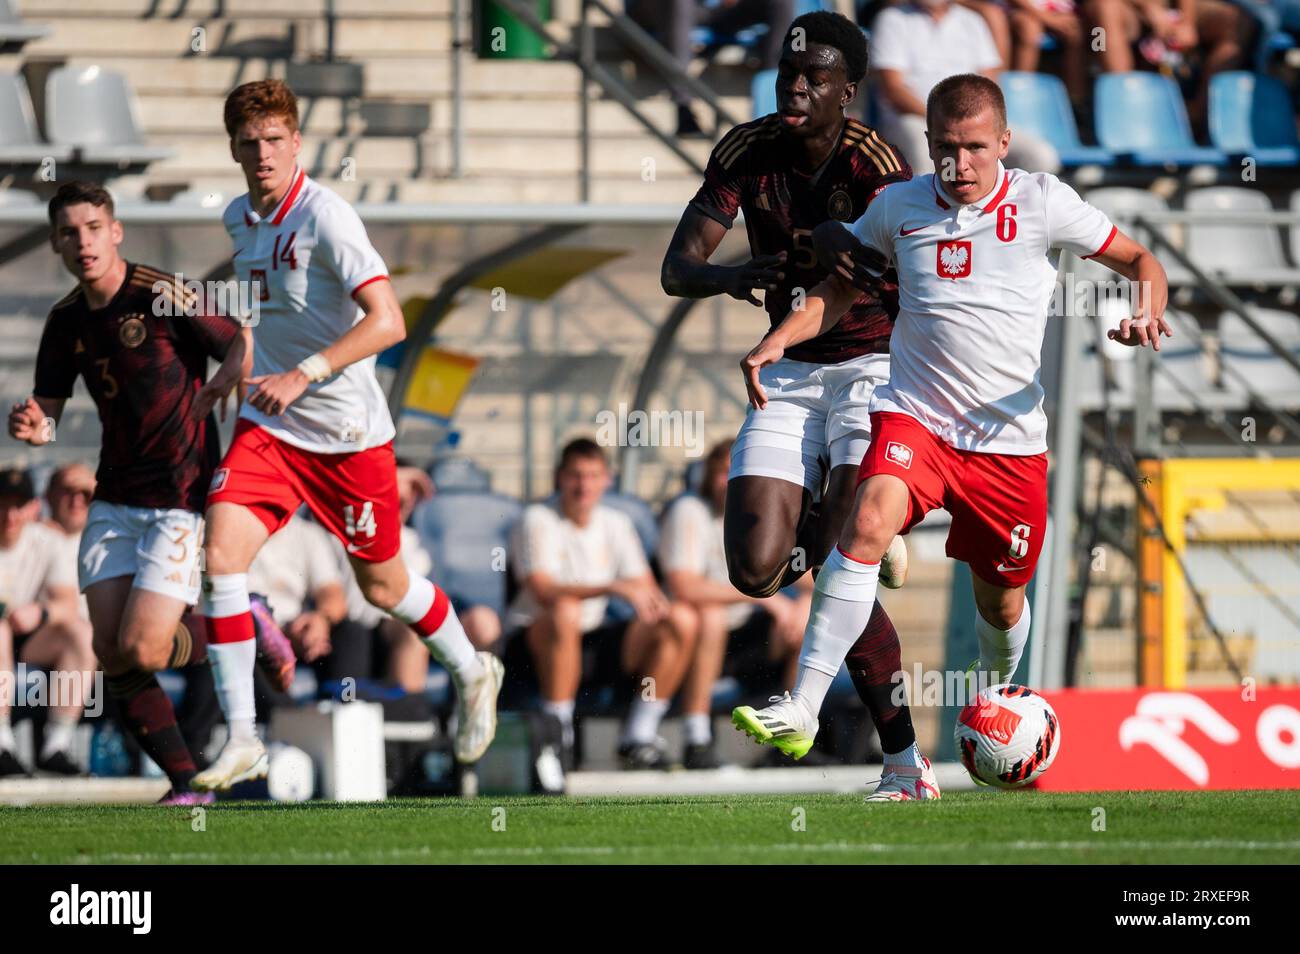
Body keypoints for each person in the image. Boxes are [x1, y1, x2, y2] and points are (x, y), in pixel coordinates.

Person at [738, 73, 1171, 799]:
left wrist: (1146, 309)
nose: (958, 164)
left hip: (1008, 446)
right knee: (866, 520)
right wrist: (778, 339)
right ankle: (804, 705)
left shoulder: (1041, 203)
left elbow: (1140, 261)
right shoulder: (899, 206)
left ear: (1004, 143)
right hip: (918, 420)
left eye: (974, 148)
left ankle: (1000, 696)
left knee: (1000, 605)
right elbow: (841, 289)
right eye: (944, 148)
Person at [193, 80, 503, 791]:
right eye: (249, 143)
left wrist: (304, 373)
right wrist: (235, 366)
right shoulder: (240, 217)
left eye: (275, 140)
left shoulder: (327, 216)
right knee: (221, 554)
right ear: (235, 149)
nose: (263, 153)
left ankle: (471, 666)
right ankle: (243, 737)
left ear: (296, 142)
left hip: (347, 436)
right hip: (270, 426)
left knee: (386, 584)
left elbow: (388, 321)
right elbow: (262, 316)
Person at [662, 10, 923, 771]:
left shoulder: (876, 162)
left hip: (871, 366)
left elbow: (905, 281)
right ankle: (846, 532)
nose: (797, 87)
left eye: (816, 78)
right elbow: (678, 268)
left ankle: (895, 755)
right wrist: (731, 275)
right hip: (789, 372)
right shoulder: (748, 150)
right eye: (788, 73)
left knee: (844, 552)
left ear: (850, 90)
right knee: (753, 569)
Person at [7, 181, 290, 804]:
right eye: (68, 232)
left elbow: (240, 339)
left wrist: (221, 387)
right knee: (113, 653)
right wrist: (34, 426)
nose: (82, 242)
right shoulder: (65, 321)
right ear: (55, 241)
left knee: (146, 647)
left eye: (92, 228)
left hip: (180, 497)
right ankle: (187, 783)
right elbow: (49, 413)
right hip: (114, 500)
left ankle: (243, 618)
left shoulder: (160, 293)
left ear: (116, 232)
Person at [506, 438, 697, 769]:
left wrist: (654, 604)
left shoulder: (616, 523)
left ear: (607, 479)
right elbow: (542, 590)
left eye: (593, 476)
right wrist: (613, 587)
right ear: (559, 477)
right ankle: (558, 737)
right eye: (576, 476)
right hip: (534, 642)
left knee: (681, 619)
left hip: (594, 638)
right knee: (565, 611)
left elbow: (646, 590)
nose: (584, 485)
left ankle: (638, 736)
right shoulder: (537, 518)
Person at [658, 441, 810, 768]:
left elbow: (810, 577)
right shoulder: (690, 511)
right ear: (707, 477)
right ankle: (696, 739)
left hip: (747, 638)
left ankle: (791, 737)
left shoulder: (764, 515)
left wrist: (804, 603)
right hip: (695, 640)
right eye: (722, 472)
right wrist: (767, 599)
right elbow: (685, 587)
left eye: (737, 472)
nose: (730, 480)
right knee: (710, 616)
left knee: (807, 622)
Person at [868, 0, 1061, 175]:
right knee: (924, 150)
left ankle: (1003, 212)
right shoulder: (891, 20)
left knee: (1040, 156)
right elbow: (893, 89)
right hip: (913, 120)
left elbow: (989, 84)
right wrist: (942, 119)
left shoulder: (972, 21)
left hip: (971, 121)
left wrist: (972, 122)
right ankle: (928, 213)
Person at [0, 466, 95, 776]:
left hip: (27, 642)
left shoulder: (47, 540)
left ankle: (56, 745)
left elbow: (66, 603)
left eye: (19, 504)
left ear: (33, 506)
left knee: (81, 633)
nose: (10, 514)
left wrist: (39, 613)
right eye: (2, 504)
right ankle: (2, 742)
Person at [626, 0, 797, 137]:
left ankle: (776, 101)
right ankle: (683, 105)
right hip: (657, 7)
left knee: (781, 2)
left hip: (708, 10)